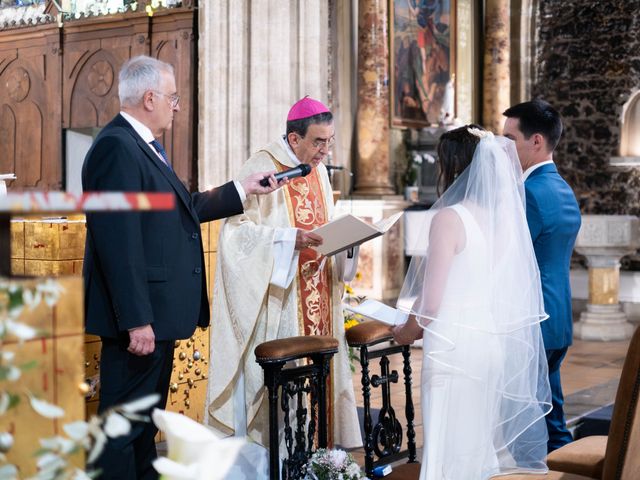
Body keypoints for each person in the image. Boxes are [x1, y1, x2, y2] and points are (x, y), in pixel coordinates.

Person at [82, 55, 282, 480]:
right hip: (139, 321)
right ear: (149, 97)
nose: (176, 106)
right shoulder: (116, 148)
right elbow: (118, 243)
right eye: (172, 98)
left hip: (158, 316)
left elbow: (181, 209)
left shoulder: (143, 147)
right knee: (119, 433)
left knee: (141, 427)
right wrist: (136, 320)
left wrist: (241, 190)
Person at [393, 125, 552, 479]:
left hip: (454, 348)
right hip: (488, 344)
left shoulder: (449, 219)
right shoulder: (503, 220)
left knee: (447, 452)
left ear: (454, 166)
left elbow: (431, 304)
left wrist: (406, 331)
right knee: (476, 451)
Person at [207, 97, 362, 455]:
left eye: (329, 141)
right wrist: (287, 239)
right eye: (318, 142)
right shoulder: (263, 165)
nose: (324, 150)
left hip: (319, 290)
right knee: (286, 396)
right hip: (281, 299)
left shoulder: (317, 169)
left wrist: (349, 238)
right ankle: (284, 460)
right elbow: (236, 233)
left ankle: (320, 458)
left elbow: (326, 224)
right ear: (294, 139)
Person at [503, 99, 581, 452]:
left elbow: (506, 260)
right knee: (551, 415)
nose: (504, 149)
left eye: (510, 139)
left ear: (536, 141)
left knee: (526, 428)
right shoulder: (562, 187)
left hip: (532, 320)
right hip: (558, 317)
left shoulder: (529, 193)